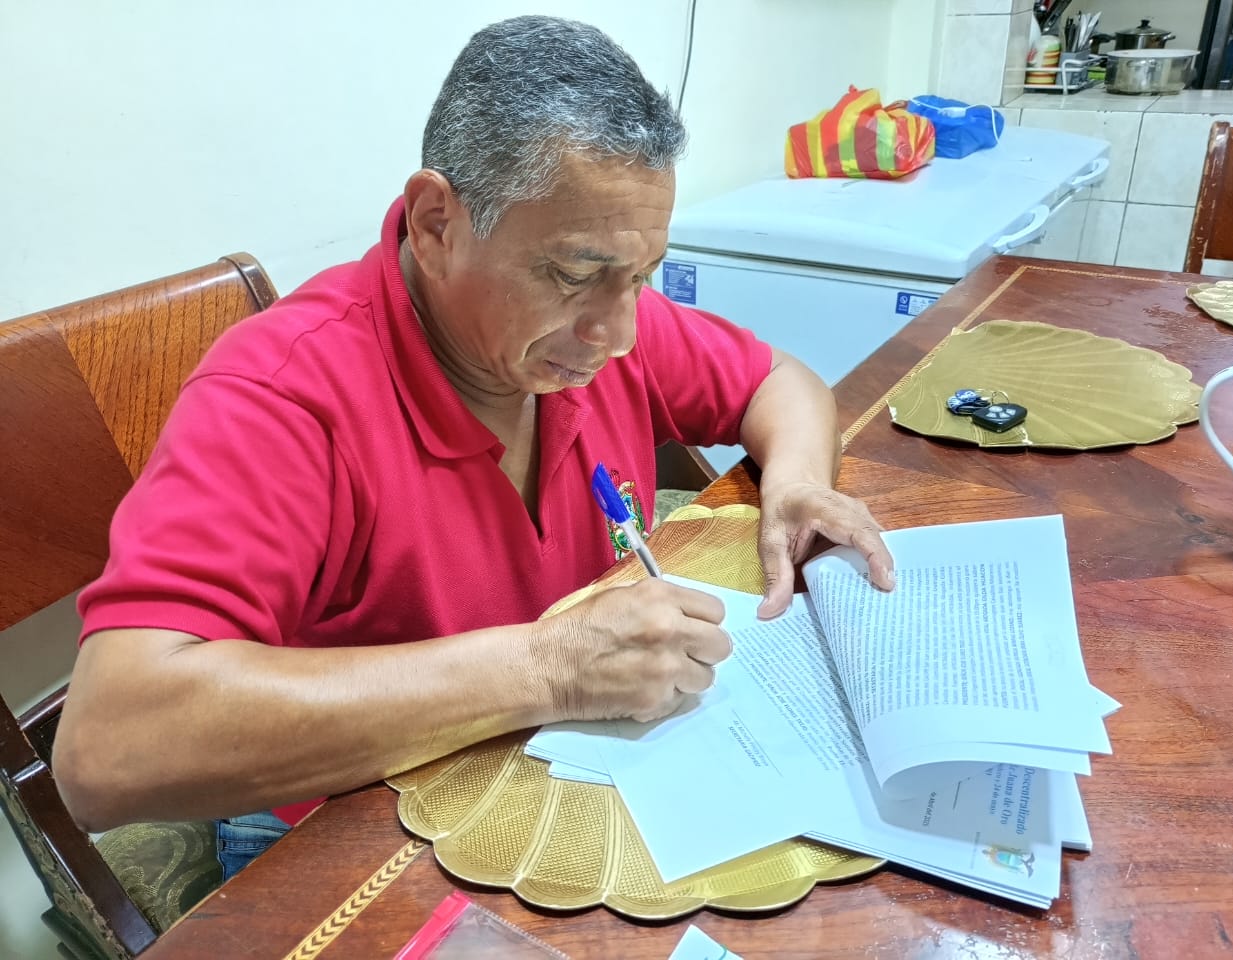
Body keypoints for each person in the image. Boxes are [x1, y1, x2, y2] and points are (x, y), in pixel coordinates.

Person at [52, 15, 894, 881]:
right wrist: (548, 667)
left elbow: (778, 380)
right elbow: (108, 751)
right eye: (571, 275)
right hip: (352, 822)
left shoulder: (590, 333)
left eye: (639, 278)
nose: (616, 332)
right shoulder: (287, 393)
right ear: (435, 224)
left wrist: (795, 482)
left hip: (562, 760)